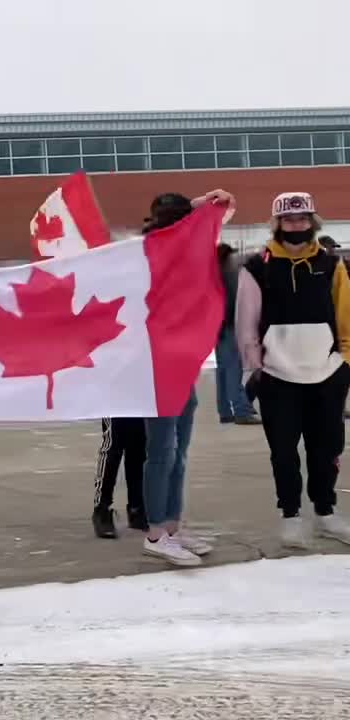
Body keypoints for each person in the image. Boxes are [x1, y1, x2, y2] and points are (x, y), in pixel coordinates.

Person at [236, 192, 350, 549]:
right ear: (278, 223)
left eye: (302, 219)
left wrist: (345, 361)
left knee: (327, 446)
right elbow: (246, 323)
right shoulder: (258, 267)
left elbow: (345, 315)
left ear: (312, 222)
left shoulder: (331, 265)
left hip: (327, 373)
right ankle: (290, 516)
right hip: (277, 376)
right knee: (283, 451)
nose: (296, 225)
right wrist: (254, 369)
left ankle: (325, 512)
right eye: (289, 220)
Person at [139, 190, 235, 567]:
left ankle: (173, 527)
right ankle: (155, 533)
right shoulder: (145, 253)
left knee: (177, 452)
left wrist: (202, 204)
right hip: (155, 364)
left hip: (183, 363)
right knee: (161, 452)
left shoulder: (189, 249)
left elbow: (224, 207)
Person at [215, 244, 261, 425]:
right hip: (230, 326)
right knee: (233, 370)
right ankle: (241, 411)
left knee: (223, 371)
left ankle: (225, 411)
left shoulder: (214, 274)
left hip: (218, 329)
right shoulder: (229, 274)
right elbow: (235, 303)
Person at [91, 417, 147, 539]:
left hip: (140, 401)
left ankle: (137, 509)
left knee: (139, 446)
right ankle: (102, 509)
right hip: (113, 401)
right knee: (112, 446)